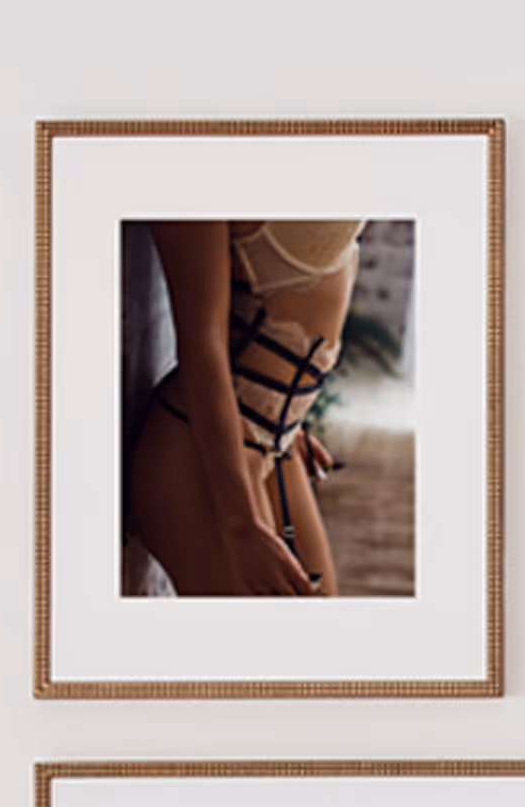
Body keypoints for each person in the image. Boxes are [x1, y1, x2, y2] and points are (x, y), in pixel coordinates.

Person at [127, 219, 367, 598]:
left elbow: (272, 293)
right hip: (202, 451)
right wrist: (240, 524)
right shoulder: (191, 165)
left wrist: (287, 413)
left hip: (274, 440)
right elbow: (202, 344)